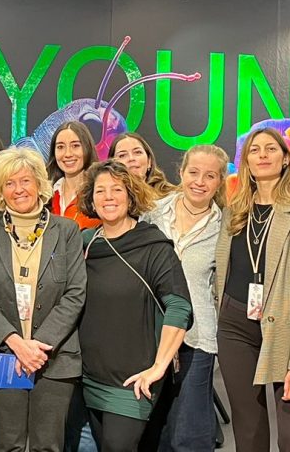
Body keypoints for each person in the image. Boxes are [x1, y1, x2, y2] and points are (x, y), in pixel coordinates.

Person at [214, 127, 290, 452]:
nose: (262, 155)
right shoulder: (234, 211)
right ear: (246, 161)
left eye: (271, 149)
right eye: (255, 150)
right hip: (235, 326)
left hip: (287, 328)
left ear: (285, 159)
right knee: (248, 432)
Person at [0, 147, 86, 452]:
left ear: (39, 184)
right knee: (6, 444)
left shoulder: (67, 231)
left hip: (54, 357)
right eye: (9, 183)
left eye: (25, 181)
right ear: (0, 190)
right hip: (4, 354)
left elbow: (75, 293)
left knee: (47, 446)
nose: (18, 189)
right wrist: (17, 344)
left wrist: (37, 346)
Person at [79, 161, 191, 451]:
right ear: (91, 199)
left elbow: (179, 307)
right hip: (89, 376)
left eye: (117, 189)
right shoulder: (85, 244)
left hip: (134, 380)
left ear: (130, 196)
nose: (108, 197)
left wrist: (158, 367)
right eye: (100, 191)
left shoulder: (153, 246)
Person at [140, 144, 229, 452]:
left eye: (210, 176)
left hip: (197, 337)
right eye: (193, 172)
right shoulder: (153, 214)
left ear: (220, 181)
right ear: (181, 172)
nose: (200, 182)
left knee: (189, 433)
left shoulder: (225, 226)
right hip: (151, 333)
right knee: (154, 429)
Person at [48, 121, 100, 229]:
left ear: (87, 148)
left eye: (75, 146)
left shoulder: (99, 193)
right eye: (60, 147)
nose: (68, 154)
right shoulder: (47, 195)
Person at [109, 132, 177, 196]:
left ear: (149, 161)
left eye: (137, 152)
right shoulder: (108, 199)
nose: (131, 158)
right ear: (111, 165)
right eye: (122, 155)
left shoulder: (173, 197)